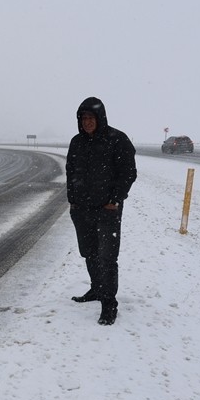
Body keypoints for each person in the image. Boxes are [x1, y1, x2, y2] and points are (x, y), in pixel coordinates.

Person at [65, 97, 137, 325]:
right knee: (89, 253)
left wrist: (114, 200)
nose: (87, 122)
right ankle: (96, 290)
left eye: (90, 118)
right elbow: (70, 172)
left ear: (100, 118)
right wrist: (73, 201)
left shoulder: (117, 140)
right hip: (82, 210)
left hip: (107, 210)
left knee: (107, 257)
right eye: (83, 118)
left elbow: (128, 172)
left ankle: (109, 304)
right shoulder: (77, 142)